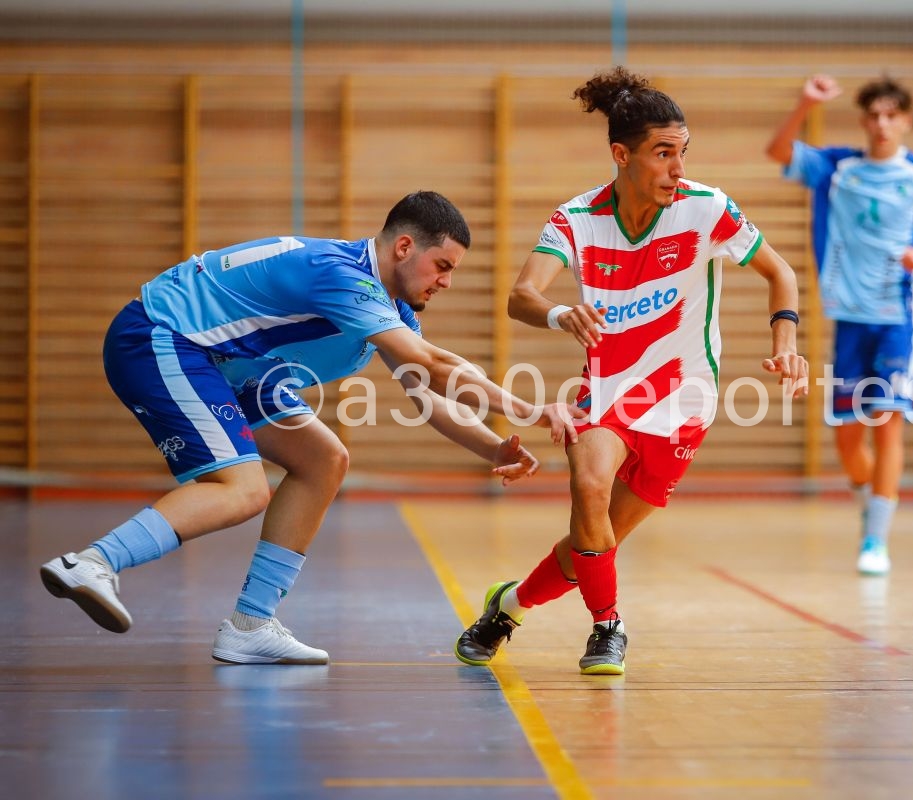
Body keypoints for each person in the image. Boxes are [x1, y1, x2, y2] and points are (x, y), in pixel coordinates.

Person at [39, 190, 583, 665]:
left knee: (324, 459)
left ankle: (250, 626)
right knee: (242, 488)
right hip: (165, 338)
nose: (445, 281)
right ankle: (92, 563)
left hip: (232, 366)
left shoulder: (386, 305)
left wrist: (494, 449)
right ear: (403, 248)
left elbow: (428, 393)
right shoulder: (342, 275)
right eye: (442, 266)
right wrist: (537, 411)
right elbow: (440, 368)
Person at [454, 67, 809, 676]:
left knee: (594, 542)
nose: (677, 168)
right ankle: (608, 627)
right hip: (606, 395)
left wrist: (787, 340)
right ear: (622, 154)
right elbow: (522, 295)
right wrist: (562, 311)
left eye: (683, 152)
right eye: (663, 153)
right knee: (588, 489)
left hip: (686, 401)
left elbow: (783, 273)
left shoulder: (707, 210)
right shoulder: (578, 218)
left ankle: (507, 606)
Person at [764, 74, 913, 575]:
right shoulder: (837, 167)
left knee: (887, 424)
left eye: (891, 115)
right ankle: (872, 504)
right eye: (873, 115)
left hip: (896, 317)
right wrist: (804, 102)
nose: (882, 124)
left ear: (905, 121)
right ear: (863, 121)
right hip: (848, 319)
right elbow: (778, 150)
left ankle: (876, 541)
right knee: (844, 437)